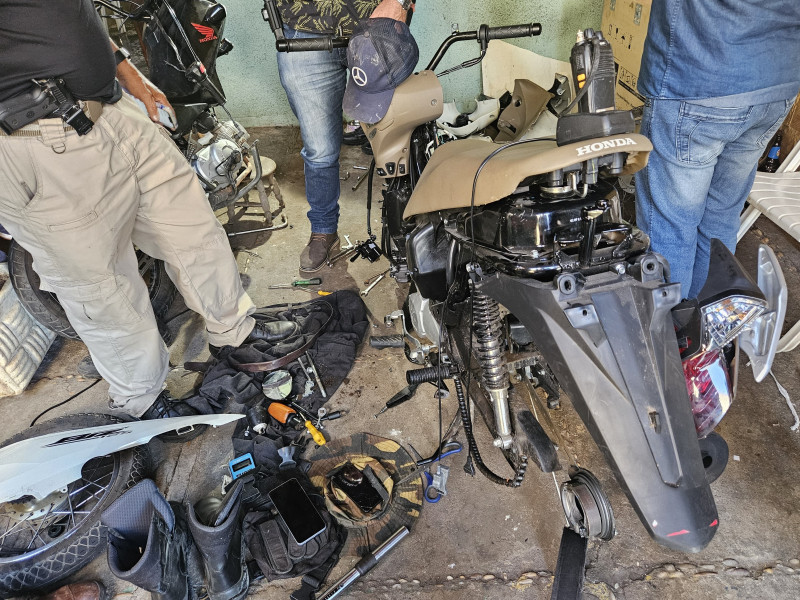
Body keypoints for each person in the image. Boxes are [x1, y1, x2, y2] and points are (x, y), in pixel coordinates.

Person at [0, 0, 288, 441]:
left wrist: (132, 78)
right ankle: (143, 402)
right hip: (36, 139)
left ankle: (235, 333)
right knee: (103, 287)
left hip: (115, 112)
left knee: (194, 231)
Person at [635, 0, 800, 299]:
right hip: (775, 84)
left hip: (698, 79)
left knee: (670, 225)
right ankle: (707, 330)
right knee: (721, 216)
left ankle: (671, 337)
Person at [274, 0, 412, 273]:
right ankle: (323, 229)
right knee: (320, 148)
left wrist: (399, 2)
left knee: (397, 137)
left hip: (379, 19)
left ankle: (406, 228)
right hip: (305, 26)